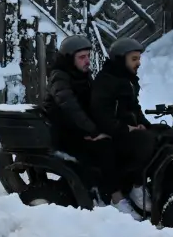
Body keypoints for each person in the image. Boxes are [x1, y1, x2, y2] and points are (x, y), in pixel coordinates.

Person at [40, 35, 116, 194]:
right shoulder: (59, 77)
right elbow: (70, 108)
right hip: (62, 134)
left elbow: (93, 104)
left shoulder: (83, 75)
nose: (87, 61)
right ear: (69, 59)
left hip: (78, 130)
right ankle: (106, 196)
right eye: (82, 57)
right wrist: (93, 131)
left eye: (88, 56)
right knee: (103, 150)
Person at [90, 37, 158, 214]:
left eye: (139, 59)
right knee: (144, 140)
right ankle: (135, 187)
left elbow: (134, 108)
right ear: (121, 59)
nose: (138, 63)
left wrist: (144, 124)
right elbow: (100, 114)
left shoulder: (128, 79)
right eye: (134, 59)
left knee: (162, 135)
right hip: (112, 133)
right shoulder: (106, 81)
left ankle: (153, 185)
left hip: (127, 130)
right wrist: (126, 128)